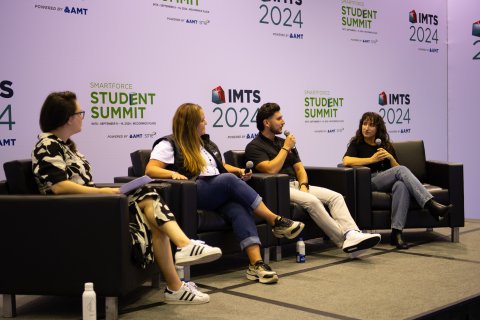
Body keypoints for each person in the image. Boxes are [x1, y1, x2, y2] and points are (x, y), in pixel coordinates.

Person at [32, 91, 222, 304]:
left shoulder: (66, 147)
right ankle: (183, 252)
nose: (82, 117)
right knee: (149, 200)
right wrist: (102, 192)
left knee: (151, 204)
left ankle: (176, 283)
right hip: (74, 214)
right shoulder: (47, 145)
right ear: (68, 118)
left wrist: (107, 192)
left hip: (87, 206)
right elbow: (58, 186)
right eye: (80, 113)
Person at [145, 103, 305, 284]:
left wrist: (239, 171)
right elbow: (151, 170)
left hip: (216, 191)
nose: (206, 122)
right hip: (193, 191)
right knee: (227, 179)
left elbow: (220, 167)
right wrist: (172, 173)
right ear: (191, 123)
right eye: (202, 120)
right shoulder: (169, 143)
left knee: (238, 208)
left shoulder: (206, 143)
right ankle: (274, 220)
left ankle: (256, 264)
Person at [245, 102, 381, 258]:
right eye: (279, 118)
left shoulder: (283, 142)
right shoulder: (254, 146)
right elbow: (270, 169)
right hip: (280, 189)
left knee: (335, 197)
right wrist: (285, 148)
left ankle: (352, 233)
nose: (283, 121)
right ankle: (344, 240)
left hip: (297, 186)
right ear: (267, 123)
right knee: (313, 201)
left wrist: (303, 184)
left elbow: (299, 168)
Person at [342, 111, 451, 249]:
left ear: (378, 129)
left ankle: (396, 233)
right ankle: (430, 204)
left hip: (388, 181)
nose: (367, 128)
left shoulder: (385, 145)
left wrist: (390, 158)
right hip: (369, 181)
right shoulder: (357, 143)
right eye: (364, 124)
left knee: (401, 185)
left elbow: (399, 170)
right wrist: (371, 159)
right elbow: (346, 161)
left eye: (371, 125)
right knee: (401, 171)